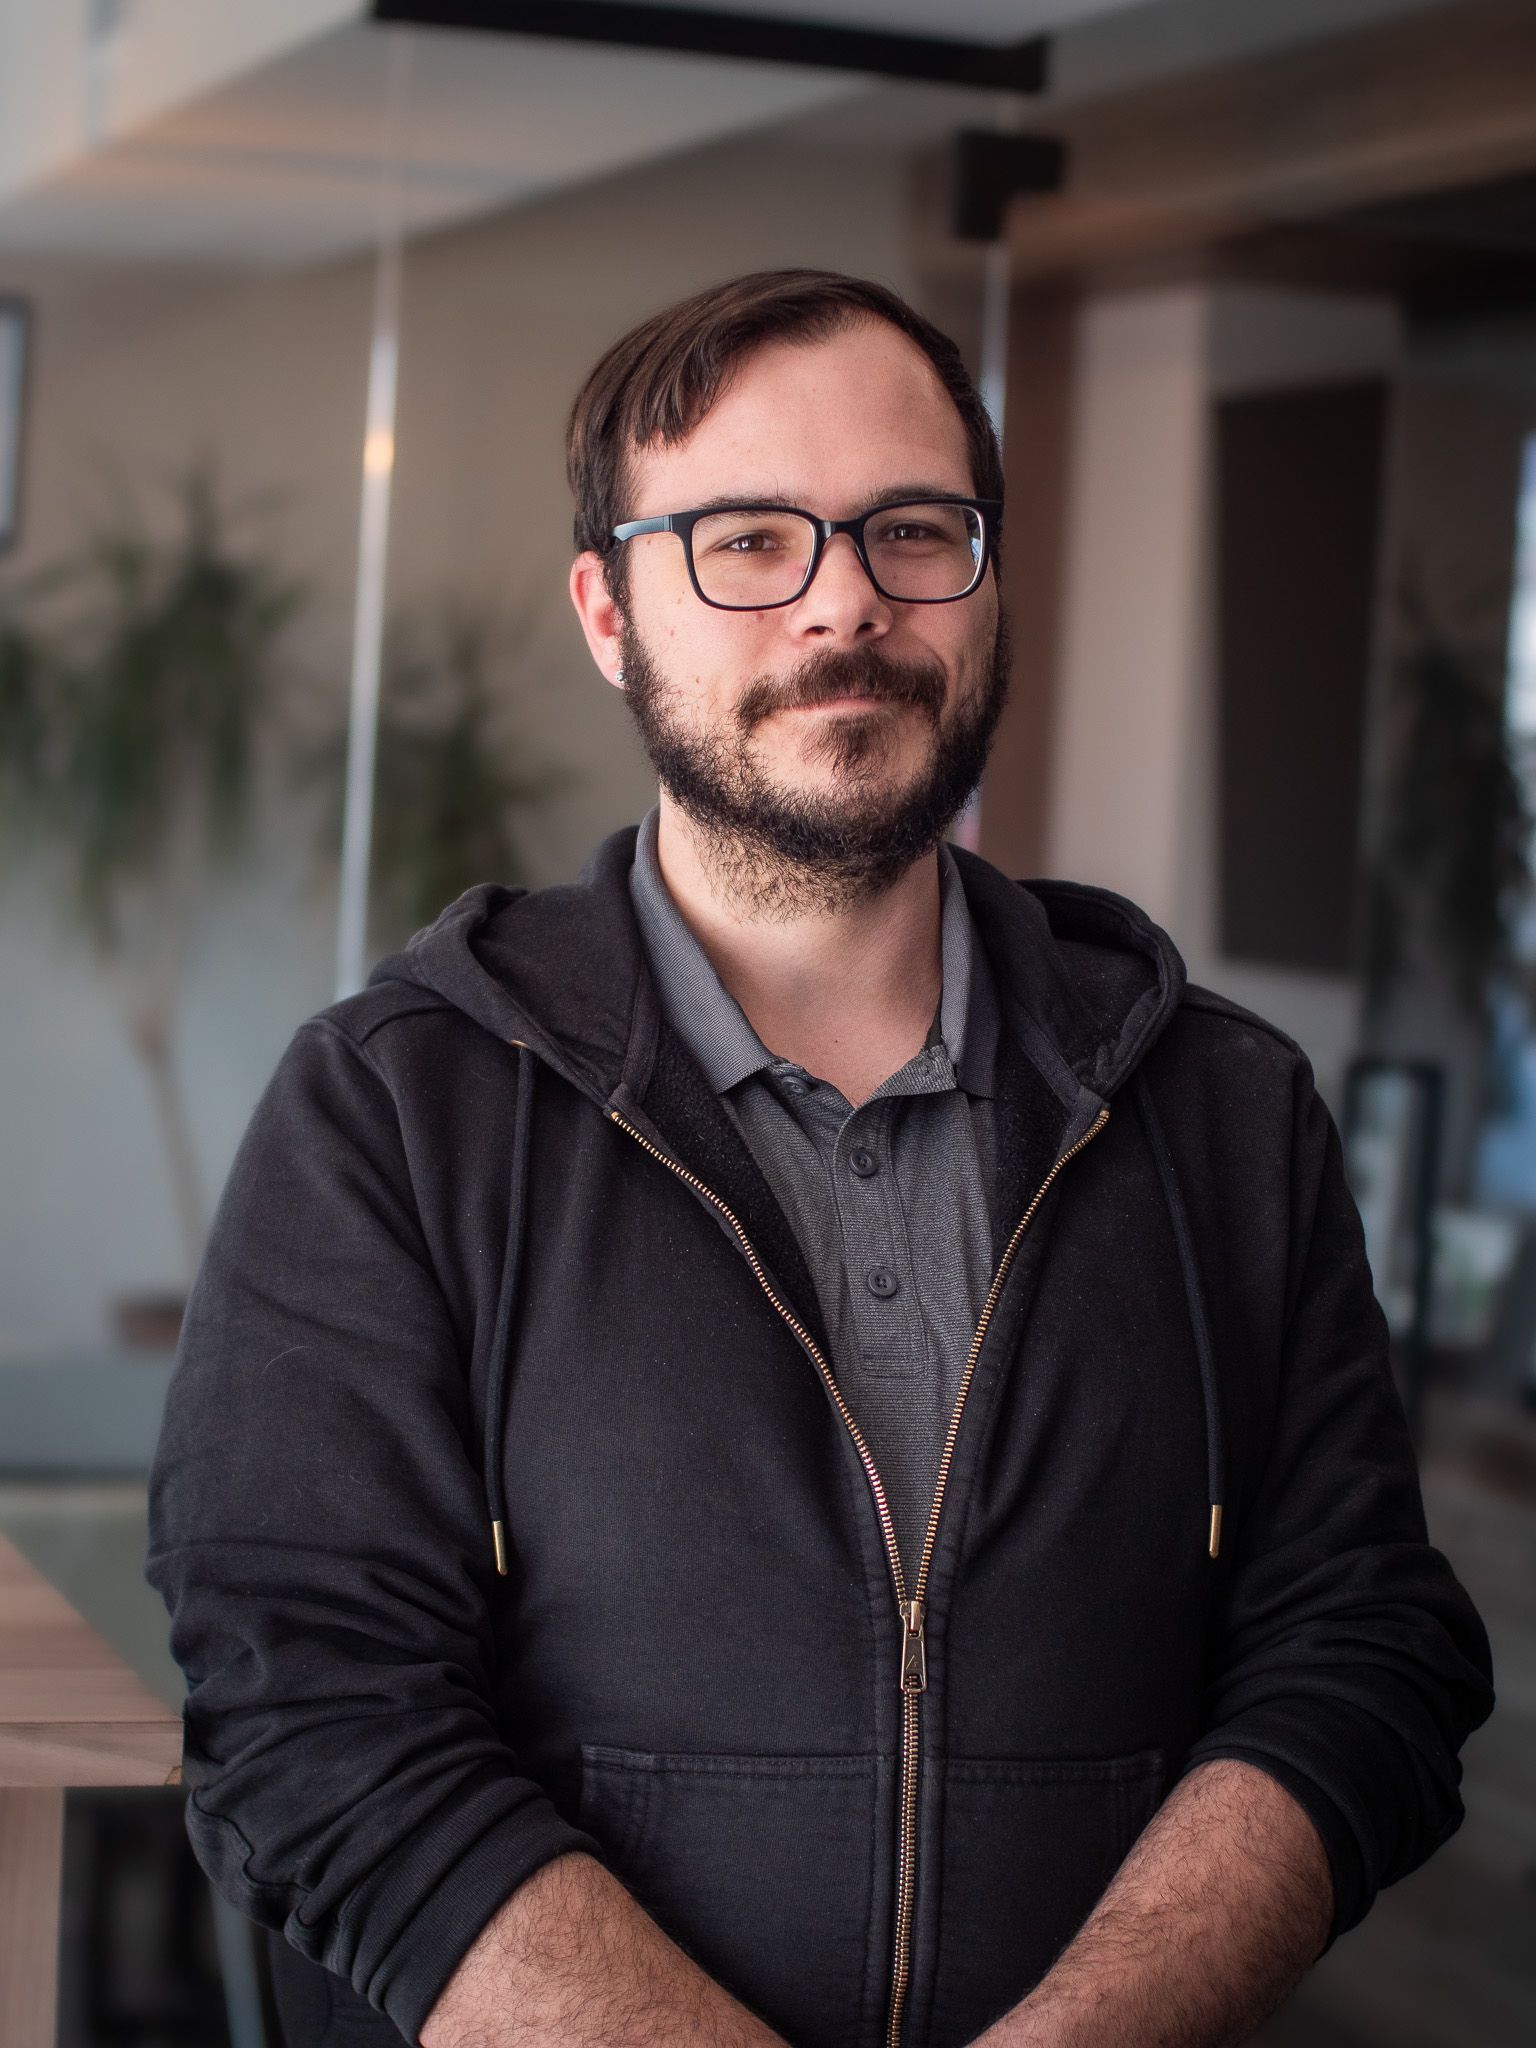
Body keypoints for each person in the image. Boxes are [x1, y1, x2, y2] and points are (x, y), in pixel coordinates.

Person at [147, 269, 1494, 2048]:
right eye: (748, 539)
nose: (847, 600)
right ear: (608, 611)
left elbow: (1365, 1658)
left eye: (913, 529)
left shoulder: (1223, 1110)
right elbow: (308, 1717)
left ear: (988, 582)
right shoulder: (394, 1112)